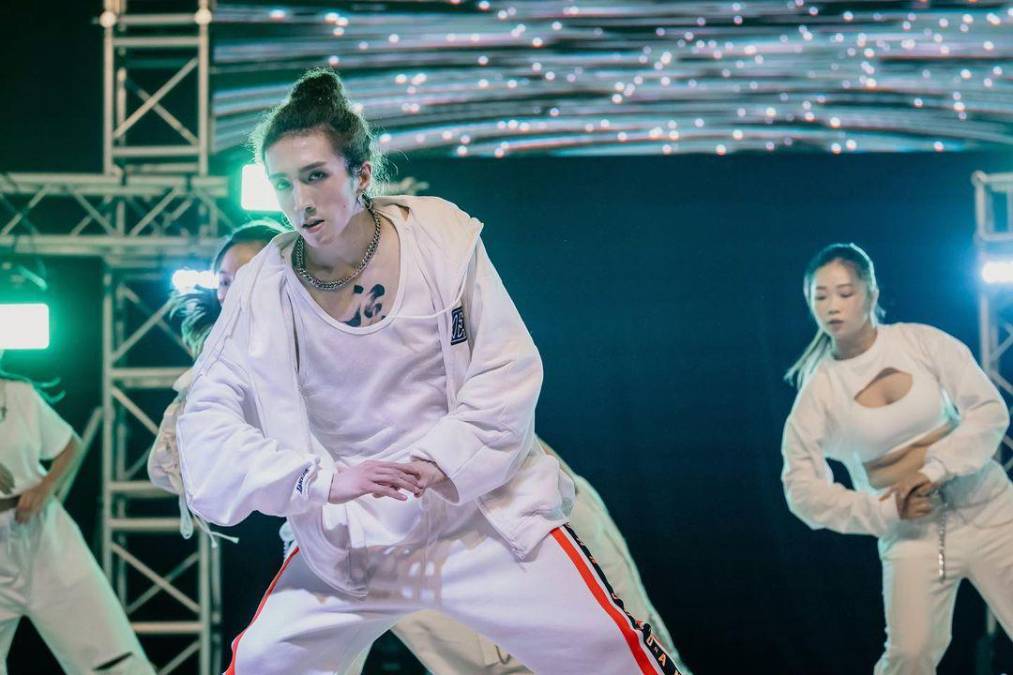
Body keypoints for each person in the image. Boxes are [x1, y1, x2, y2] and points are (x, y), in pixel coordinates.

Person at [173, 68, 680, 675]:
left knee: (611, 653)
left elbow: (506, 366)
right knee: (262, 660)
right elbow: (207, 425)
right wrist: (321, 480)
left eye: (315, 176)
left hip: (479, 515)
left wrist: (439, 458)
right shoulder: (263, 286)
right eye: (281, 183)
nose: (299, 200)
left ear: (360, 175)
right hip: (352, 538)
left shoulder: (437, 237)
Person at [781, 243, 1013, 675]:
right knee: (909, 656)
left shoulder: (920, 342)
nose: (833, 306)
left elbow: (989, 410)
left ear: (871, 293)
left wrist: (936, 468)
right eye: (821, 296)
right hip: (912, 536)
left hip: (989, 511)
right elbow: (801, 490)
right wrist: (882, 509)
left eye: (845, 292)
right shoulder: (819, 394)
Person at [0, 359, 153, 674]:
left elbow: (70, 444)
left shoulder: (18, 394)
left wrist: (46, 487)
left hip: (43, 538)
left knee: (113, 660)